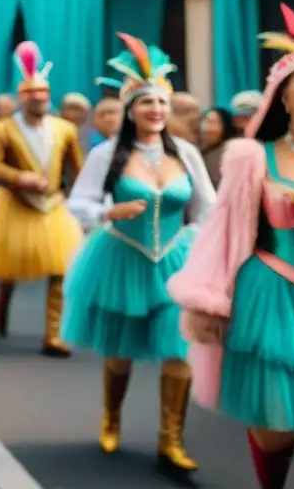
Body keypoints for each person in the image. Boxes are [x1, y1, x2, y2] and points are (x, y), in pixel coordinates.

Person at [169, 3, 294, 488]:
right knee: (277, 428)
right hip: (274, 296)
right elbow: (225, 232)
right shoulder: (251, 156)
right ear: (281, 95)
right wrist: (209, 299)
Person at [61, 34, 215, 481]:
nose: (156, 111)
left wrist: (200, 243)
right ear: (130, 109)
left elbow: (208, 206)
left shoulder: (185, 153)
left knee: (180, 350)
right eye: (147, 103)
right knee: (120, 351)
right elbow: (78, 203)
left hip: (176, 259)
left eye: (162, 103)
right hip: (122, 258)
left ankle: (171, 439)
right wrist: (109, 211)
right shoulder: (106, 153)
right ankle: (112, 416)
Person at [0, 41, 84, 356]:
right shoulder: (2, 129)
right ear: (22, 97)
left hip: (53, 205)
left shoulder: (65, 128)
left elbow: (76, 168)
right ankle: (2, 309)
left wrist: (78, 200)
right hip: (15, 205)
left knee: (61, 269)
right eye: (32, 94)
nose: (39, 98)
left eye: (43, 93)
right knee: (9, 270)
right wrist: (18, 177)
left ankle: (53, 335)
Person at [199, 106, 239, 188]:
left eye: (213, 122)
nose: (207, 127)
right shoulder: (198, 149)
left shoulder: (229, 152)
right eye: (205, 121)